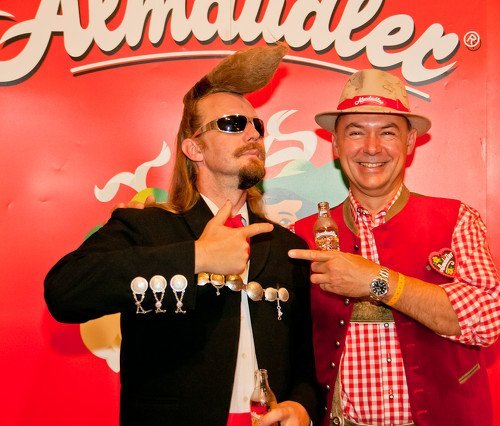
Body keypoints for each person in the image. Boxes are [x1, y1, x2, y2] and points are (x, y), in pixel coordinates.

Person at [44, 45, 320, 426]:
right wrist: (196, 257)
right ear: (194, 148)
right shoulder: (147, 227)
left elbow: (307, 369)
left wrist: (302, 409)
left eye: (257, 126)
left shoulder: (288, 248)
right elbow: (64, 291)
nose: (252, 134)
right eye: (232, 123)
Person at [289, 69, 500, 425]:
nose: (372, 147)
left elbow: (487, 319)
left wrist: (378, 281)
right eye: (355, 132)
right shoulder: (301, 236)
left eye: (387, 132)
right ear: (335, 144)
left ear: (410, 142)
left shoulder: (456, 218)